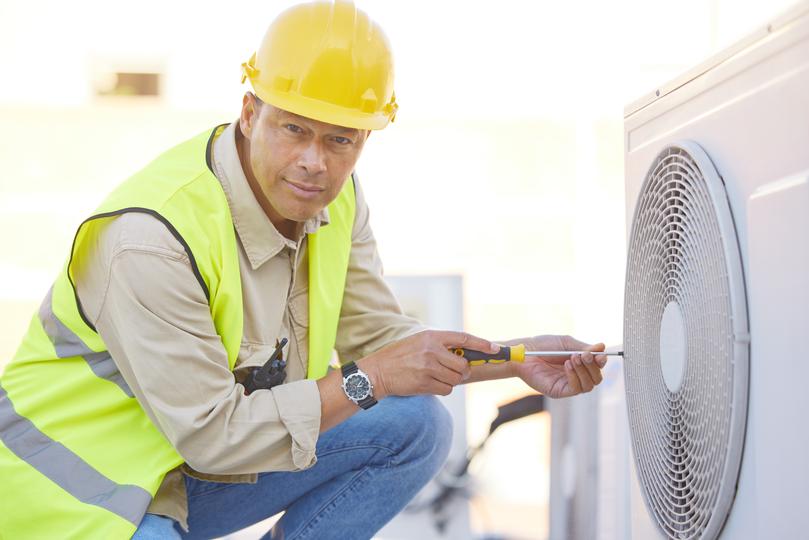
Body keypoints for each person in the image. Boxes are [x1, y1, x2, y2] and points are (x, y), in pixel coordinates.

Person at [0, 2, 608, 538]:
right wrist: (367, 379)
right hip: (75, 499)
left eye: (341, 140)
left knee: (416, 424)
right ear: (249, 111)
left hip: (182, 472)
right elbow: (218, 436)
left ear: (365, 139)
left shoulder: (335, 201)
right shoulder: (150, 239)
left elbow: (382, 343)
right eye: (294, 129)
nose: (314, 162)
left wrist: (518, 359)